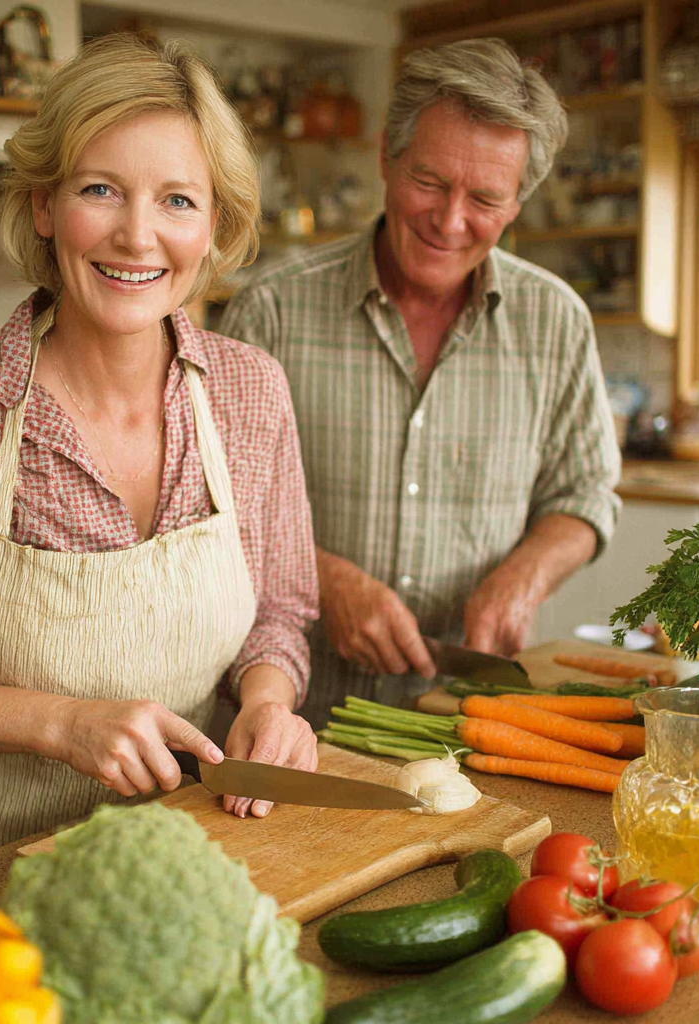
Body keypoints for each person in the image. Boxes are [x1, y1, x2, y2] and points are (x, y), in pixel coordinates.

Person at [0, 33, 320, 876]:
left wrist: (268, 702)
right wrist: (61, 724)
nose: (138, 235)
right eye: (101, 189)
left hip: (185, 872)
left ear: (215, 222)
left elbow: (279, 614)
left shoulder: (250, 394)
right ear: (44, 206)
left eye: (178, 200)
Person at [221, 38, 621, 728]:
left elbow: (584, 494)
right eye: (429, 182)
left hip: (475, 724)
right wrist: (324, 580)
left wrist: (522, 579)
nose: (450, 220)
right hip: (289, 721)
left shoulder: (556, 321)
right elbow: (208, 503)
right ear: (386, 155)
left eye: (486, 198)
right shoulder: (273, 309)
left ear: (518, 202)